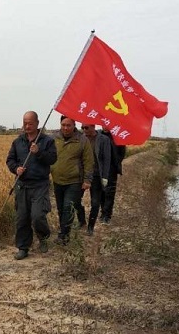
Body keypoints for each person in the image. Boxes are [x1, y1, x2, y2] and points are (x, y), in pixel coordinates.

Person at [6, 111, 58, 260]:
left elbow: (53, 159)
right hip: (22, 185)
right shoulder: (18, 142)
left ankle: (43, 237)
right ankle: (23, 247)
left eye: (30, 123)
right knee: (22, 218)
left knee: (37, 216)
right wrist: (16, 169)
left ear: (37, 123)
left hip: (39, 185)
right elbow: (10, 160)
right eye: (25, 123)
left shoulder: (47, 141)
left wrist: (39, 152)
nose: (27, 126)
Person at [50, 116, 94, 244]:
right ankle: (64, 230)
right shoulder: (54, 138)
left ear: (74, 125)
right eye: (63, 125)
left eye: (68, 125)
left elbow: (88, 161)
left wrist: (87, 180)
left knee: (68, 207)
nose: (65, 128)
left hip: (74, 181)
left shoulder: (82, 140)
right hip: (57, 179)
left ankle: (64, 236)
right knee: (60, 208)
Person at [80, 123, 111, 235]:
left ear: (93, 126)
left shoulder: (104, 140)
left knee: (95, 202)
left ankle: (90, 227)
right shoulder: (80, 138)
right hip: (82, 174)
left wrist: (105, 177)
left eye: (86, 127)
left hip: (97, 175)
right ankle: (81, 221)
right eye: (82, 127)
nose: (84, 130)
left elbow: (107, 159)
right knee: (76, 199)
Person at [99, 128, 127, 223]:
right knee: (101, 191)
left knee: (109, 192)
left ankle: (107, 215)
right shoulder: (98, 135)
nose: (105, 127)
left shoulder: (117, 137)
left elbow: (122, 153)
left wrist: (116, 163)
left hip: (111, 168)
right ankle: (103, 211)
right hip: (100, 168)